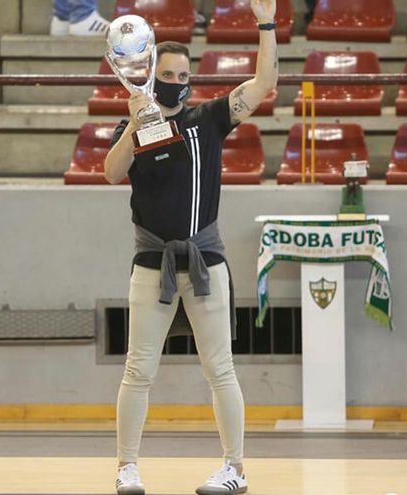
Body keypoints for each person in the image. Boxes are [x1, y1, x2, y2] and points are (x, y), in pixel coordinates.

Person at [103, 1, 279, 494]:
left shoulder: (210, 120)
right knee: (138, 368)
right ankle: (126, 467)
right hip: (149, 263)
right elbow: (111, 172)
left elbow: (263, 84)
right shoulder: (134, 124)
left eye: (182, 74)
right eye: (167, 73)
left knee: (220, 368)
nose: (175, 80)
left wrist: (265, 24)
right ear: (150, 74)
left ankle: (235, 469)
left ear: (191, 80)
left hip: (207, 261)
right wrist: (136, 125)